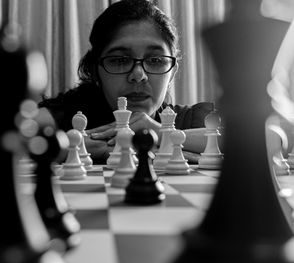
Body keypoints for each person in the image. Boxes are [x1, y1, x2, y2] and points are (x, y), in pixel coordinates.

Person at [39, 0, 214, 164]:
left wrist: (164, 135)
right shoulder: (69, 116)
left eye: (155, 60)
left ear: (172, 72)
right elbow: (17, 135)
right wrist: (75, 147)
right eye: (119, 60)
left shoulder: (190, 120)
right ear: (95, 71)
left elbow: (238, 137)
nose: (138, 75)